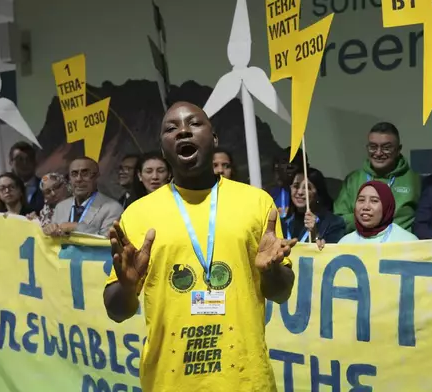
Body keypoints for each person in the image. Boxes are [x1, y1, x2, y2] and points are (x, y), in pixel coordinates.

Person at [103, 101, 297, 392]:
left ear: (214, 138)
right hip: (169, 382)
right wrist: (127, 287)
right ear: (163, 146)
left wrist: (270, 272)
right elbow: (117, 311)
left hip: (245, 381)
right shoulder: (137, 214)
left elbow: (280, 294)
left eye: (194, 123)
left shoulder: (256, 204)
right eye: (171, 128)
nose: (183, 131)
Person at [334, 122, 421, 233]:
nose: (378, 153)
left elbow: (423, 219)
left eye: (386, 148)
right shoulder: (353, 179)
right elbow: (339, 219)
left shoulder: (415, 180)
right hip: (359, 244)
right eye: (373, 147)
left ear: (398, 149)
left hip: (400, 246)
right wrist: (370, 220)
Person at [44, 157, 123, 237]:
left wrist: (76, 227)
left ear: (97, 176)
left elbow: (108, 242)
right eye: (74, 174)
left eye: (85, 173)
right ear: (69, 179)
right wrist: (49, 230)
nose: (78, 179)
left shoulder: (113, 208)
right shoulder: (60, 207)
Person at [283, 168, 346, 249]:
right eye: (296, 186)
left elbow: (334, 257)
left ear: (318, 193)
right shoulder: (283, 223)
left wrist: (315, 235)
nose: (300, 192)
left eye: (307, 187)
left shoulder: (335, 223)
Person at [339, 181, 418, 243]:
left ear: (386, 206)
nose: (366, 207)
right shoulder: (345, 242)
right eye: (361, 200)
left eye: (374, 201)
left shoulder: (407, 241)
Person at [267, 147, 308, 219]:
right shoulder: (270, 194)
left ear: (305, 166)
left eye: (295, 161)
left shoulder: (311, 193)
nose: (289, 165)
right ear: (277, 166)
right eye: (284, 162)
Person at [9, 141, 44, 213]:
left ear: (35, 162)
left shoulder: (46, 187)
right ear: (11, 163)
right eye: (19, 159)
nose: (25, 163)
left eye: (29, 159)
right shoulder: (3, 191)